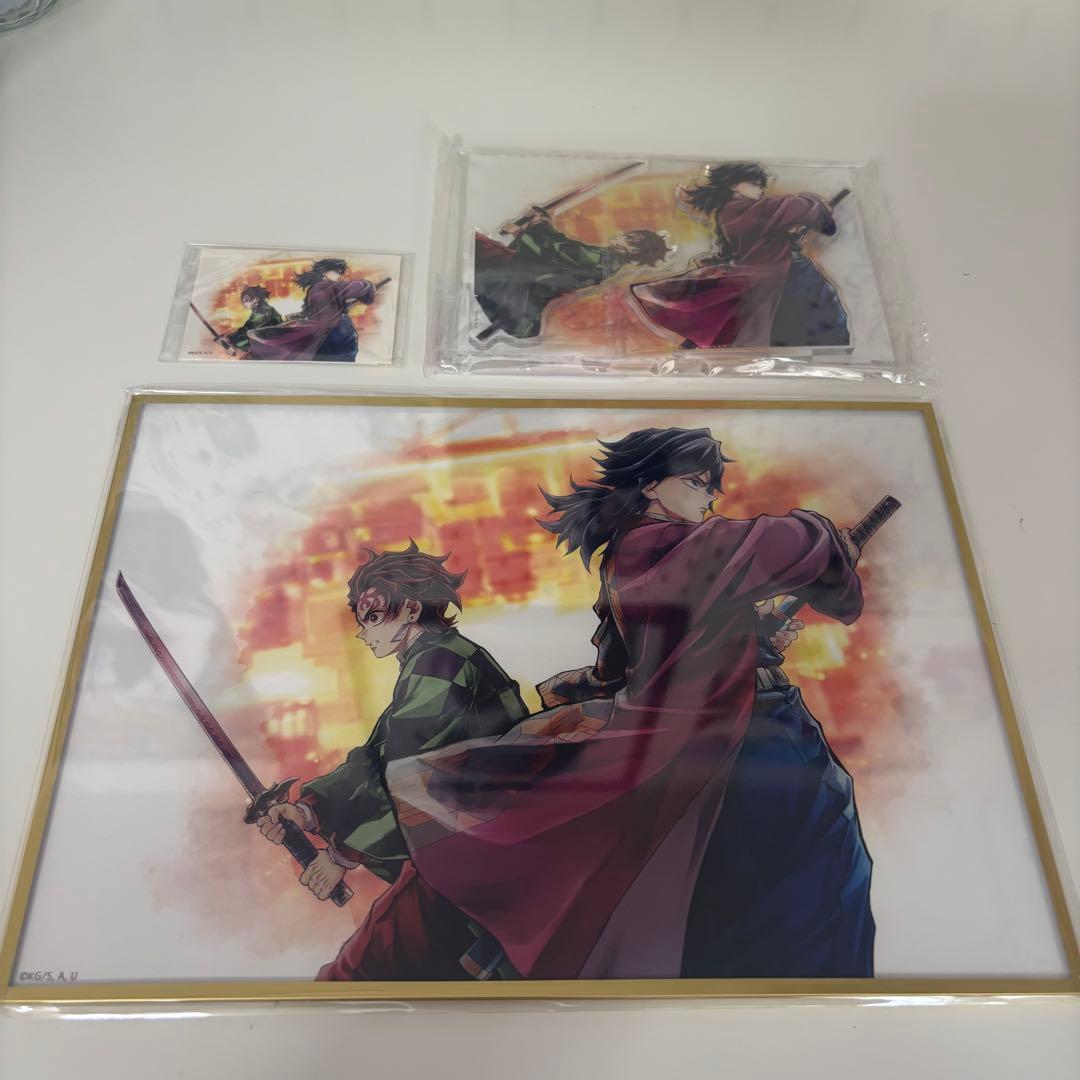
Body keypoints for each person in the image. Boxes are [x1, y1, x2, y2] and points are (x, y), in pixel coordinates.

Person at [386, 427, 866, 980]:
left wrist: (752, 634)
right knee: (812, 880)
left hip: (729, 733)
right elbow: (783, 543)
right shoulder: (663, 545)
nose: (710, 498)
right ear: (651, 486)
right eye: (697, 482)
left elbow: (649, 652)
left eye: (712, 486)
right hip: (740, 740)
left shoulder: (636, 555)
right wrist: (828, 543)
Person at [256, 542, 528, 980]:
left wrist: (342, 855)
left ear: (411, 609)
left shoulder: (442, 664)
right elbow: (377, 758)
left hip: (478, 852)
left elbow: (414, 779)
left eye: (373, 617)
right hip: (458, 846)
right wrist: (308, 810)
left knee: (361, 974)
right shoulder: (431, 660)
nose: (363, 633)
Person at [630, 163, 850, 349]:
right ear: (733, 185)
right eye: (755, 183)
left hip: (773, 273)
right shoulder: (745, 211)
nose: (761, 189)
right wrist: (817, 207)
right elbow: (798, 208)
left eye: (762, 184)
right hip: (785, 275)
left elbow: (753, 241)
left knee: (765, 324)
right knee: (814, 323)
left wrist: (785, 238)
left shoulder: (732, 213)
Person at [473, 207, 671, 340]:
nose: (620, 234)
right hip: (522, 300)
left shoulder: (605, 260)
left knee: (481, 250)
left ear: (633, 249)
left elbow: (560, 250)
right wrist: (542, 225)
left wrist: (525, 230)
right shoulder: (607, 260)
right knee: (483, 253)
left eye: (630, 237)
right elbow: (561, 250)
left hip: (521, 297)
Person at [247, 258, 377, 362]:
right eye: (337, 272)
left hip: (326, 332)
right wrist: (368, 285)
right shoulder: (328, 287)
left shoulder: (314, 289)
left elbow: (310, 311)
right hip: (335, 332)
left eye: (340, 273)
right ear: (324, 272)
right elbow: (359, 286)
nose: (339, 276)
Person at [225, 285, 283, 351]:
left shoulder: (264, 310)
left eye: (247, 300)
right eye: (243, 301)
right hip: (265, 337)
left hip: (273, 340)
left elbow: (250, 326)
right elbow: (249, 326)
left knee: (239, 344)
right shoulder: (258, 309)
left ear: (256, 299)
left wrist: (231, 337)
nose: (244, 304)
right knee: (239, 343)